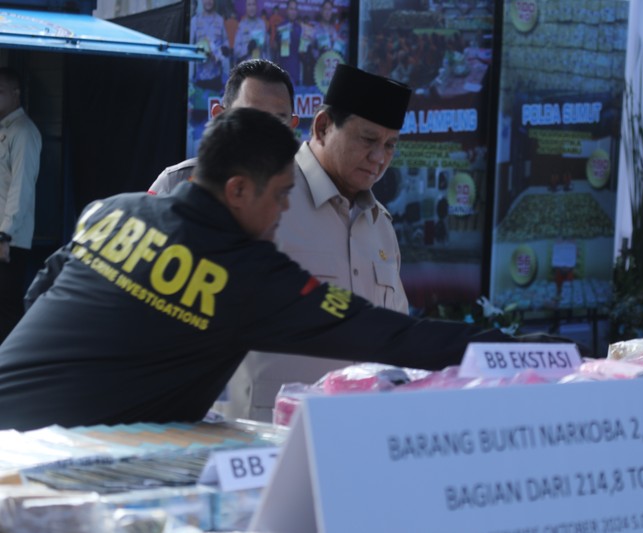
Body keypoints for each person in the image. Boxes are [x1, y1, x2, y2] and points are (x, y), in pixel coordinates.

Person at [0, 108, 512, 431]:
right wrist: (528, 352)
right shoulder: (245, 275)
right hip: (54, 471)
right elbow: (391, 336)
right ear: (239, 190)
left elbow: (40, 290)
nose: (285, 210)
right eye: (282, 195)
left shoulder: (116, 209)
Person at [224, 63, 413, 421]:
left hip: (360, 434)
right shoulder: (259, 197)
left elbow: (396, 336)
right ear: (323, 127)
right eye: (368, 139)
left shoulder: (381, 226)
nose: (379, 158)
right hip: (266, 439)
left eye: (390, 145)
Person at [149, 58, 298, 195]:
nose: (266, 131)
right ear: (219, 117)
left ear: (292, 126)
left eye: (278, 120)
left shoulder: (307, 193)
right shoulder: (175, 183)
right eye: (251, 116)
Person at [0, 67, 42, 343]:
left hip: (9, 241)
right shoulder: (5, 129)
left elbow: (21, 188)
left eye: (0, 92)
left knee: (6, 309)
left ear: (16, 94)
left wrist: (5, 234)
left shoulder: (24, 132)